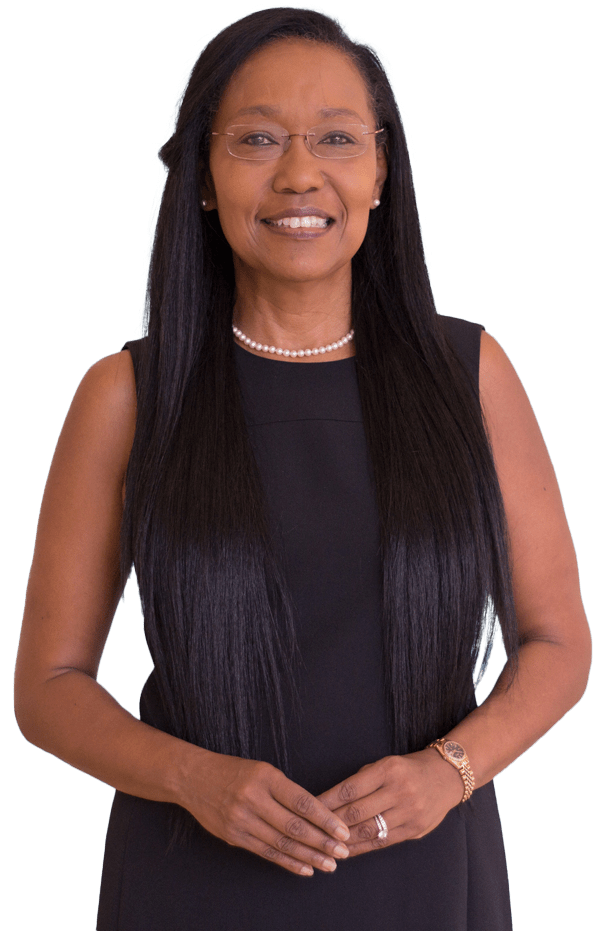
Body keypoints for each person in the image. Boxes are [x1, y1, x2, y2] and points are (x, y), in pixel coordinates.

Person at [13, 6, 592, 930]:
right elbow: (47, 688)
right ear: (203, 174)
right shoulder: (126, 394)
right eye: (256, 138)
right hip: (189, 879)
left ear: (381, 170)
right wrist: (193, 777)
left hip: (427, 870)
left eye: (335, 137)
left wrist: (449, 772)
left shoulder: (471, 375)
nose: (299, 174)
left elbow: (560, 643)